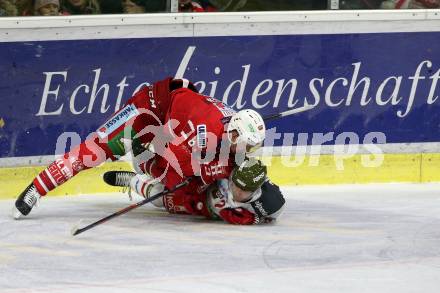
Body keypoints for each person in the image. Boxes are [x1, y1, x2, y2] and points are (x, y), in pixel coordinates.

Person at [13, 77, 266, 219]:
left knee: (180, 194)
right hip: (147, 110)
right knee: (96, 150)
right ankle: (37, 188)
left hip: (175, 130)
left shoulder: (231, 139)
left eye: (253, 147)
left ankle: (138, 182)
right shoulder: (205, 125)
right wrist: (192, 165)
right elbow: (181, 97)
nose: (249, 152)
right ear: (233, 134)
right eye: (248, 145)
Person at [103, 158, 286, 225]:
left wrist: (256, 219)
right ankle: (148, 164)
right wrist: (200, 178)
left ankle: (131, 181)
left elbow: (271, 216)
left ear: (255, 190)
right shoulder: (231, 167)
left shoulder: (272, 203)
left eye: (243, 191)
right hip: (202, 186)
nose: (236, 191)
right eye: (234, 184)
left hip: (201, 207)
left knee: (159, 198)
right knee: (172, 175)